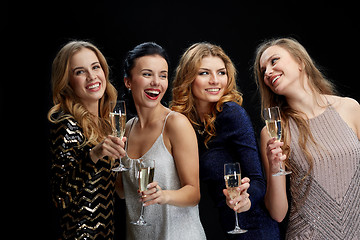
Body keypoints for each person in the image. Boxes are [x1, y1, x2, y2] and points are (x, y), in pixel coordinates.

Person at [171, 42, 280, 239]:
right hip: (224, 228)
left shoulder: (231, 113)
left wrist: (247, 199)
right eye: (204, 73)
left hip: (254, 228)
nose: (215, 80)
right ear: (188, 78)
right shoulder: (186, 123)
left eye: (221, 73)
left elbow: (257, 181)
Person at [254, 37, 360, 239]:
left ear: (300, 62)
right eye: (263, 70)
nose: (267, 72)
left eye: (274, 61)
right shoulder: (273, 131)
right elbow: (278, 213)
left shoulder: (350, 108)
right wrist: (275, 167)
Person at [116, 42, 206, 240]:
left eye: (163, 75)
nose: (157, 82)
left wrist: (164, 195)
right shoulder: (126, 129)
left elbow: (194, 194)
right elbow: (123, 192)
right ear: (128, 82)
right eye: (147, 74)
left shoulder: (175, 124)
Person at [48, 40, 126, 239]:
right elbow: (60, 197)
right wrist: (94, 154)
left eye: (95, 67)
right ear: (67, 82)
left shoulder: (105, 124)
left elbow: (117, 191)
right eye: (80, 72)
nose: (92, 76)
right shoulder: (66, 124)